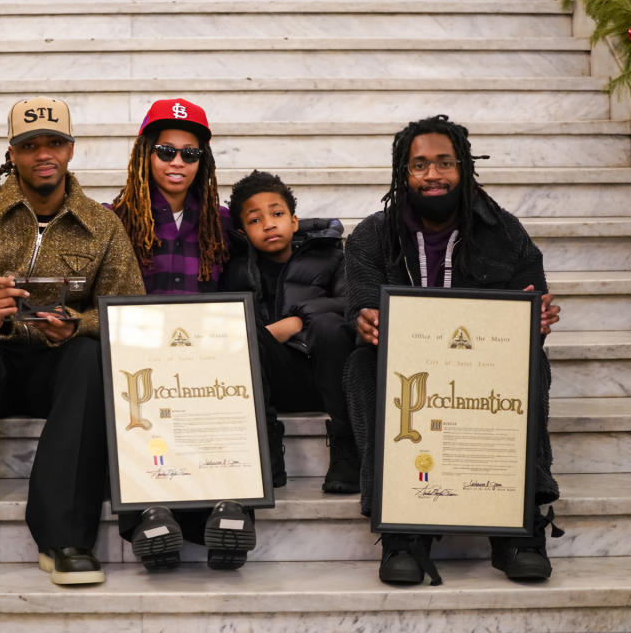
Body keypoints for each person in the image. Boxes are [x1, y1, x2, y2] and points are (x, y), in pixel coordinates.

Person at [0, 96, 144, 586]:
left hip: (59, 371)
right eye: (30, 144)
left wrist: (77, 325)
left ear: (71, 150)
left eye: (54, 143)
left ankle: (66, 539)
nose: (44, 154)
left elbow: (129, 320)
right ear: (11, 153)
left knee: (87, 354)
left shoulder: (102, 226)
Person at [343, 114, 563, 586]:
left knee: (533, 365)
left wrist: (537, 321)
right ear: (404, 173)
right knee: (362, 366)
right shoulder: (371, 235)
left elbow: (531, 306)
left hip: (482, 369)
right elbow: (359, 303)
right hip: (408, 371)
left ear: (464, 166)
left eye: (445, 163)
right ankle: (400, 527)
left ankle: (519, 522)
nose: (433, 175)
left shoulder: (504, 230)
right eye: (420, 165)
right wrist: (364, 320)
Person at [107, 98, 258, 572]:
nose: (177, 163)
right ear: (144, 155)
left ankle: (228, 510)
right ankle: (148, 515)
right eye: (166, 152)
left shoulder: (223, 220)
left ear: (203, 161)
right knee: (131, 401)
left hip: (204, 356)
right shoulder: (115, 218)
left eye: (189, 154)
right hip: (138, 352)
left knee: (227, 392)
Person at [223, 170, 359, 494]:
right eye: (255, 220)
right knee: (243, 327)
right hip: (272, 381)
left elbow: (352, 304)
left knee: (329, 325)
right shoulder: (236, 270)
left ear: (294, 220)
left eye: (278, 214)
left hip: (325, 372)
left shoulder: (330, 256)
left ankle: (346, 450)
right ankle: (266, 449)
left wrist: (297, 320)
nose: (269, 224)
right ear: (243, 231)